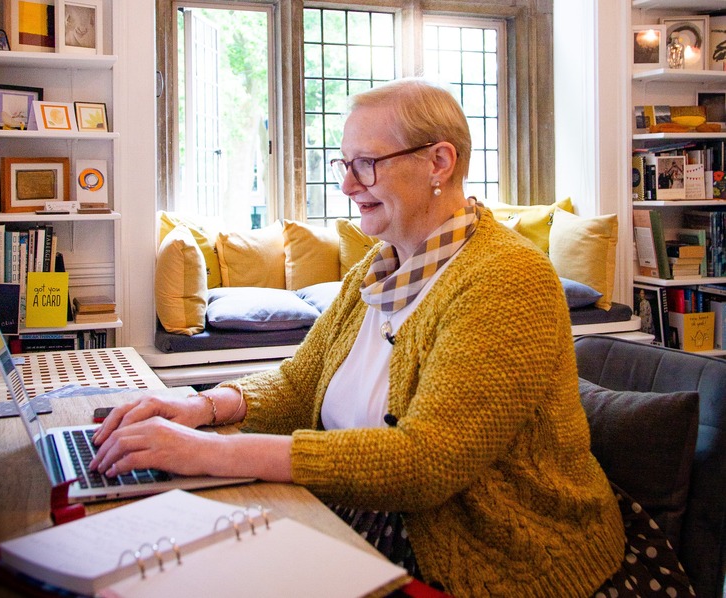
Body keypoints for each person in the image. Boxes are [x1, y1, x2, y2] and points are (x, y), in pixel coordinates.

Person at [91, 78, 626, 596]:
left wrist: (213, 452)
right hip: (365, 520)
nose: (347, 186)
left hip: (493, 561)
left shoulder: (506, 280)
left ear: (439, 162)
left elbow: (427, 462)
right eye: (344, 165)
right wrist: (201, 408)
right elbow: (299, 383)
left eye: (366, 164)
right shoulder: (379, 267)